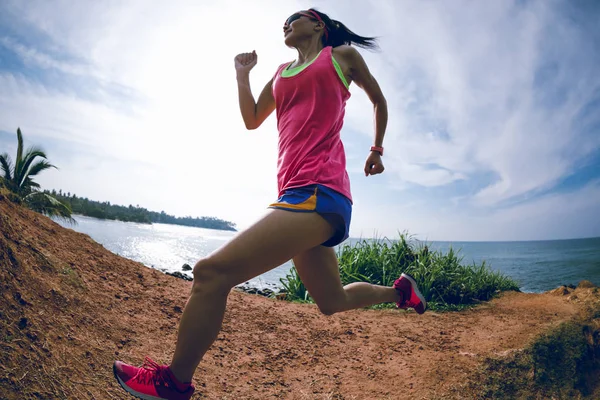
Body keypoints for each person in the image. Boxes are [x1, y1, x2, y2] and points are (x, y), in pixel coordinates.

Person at [113, 8, 427, 400]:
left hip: (321, 191)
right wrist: (242, 75)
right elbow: (251, 119)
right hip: (293, 193)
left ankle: (174, 382)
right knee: (332, 301)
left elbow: (378, 100)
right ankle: (400, 292)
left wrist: (377, 149)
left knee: (211, 273)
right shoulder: (279, 74)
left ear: (318, 26)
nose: (287, 22)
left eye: (297, 17)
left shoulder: (340, 57)